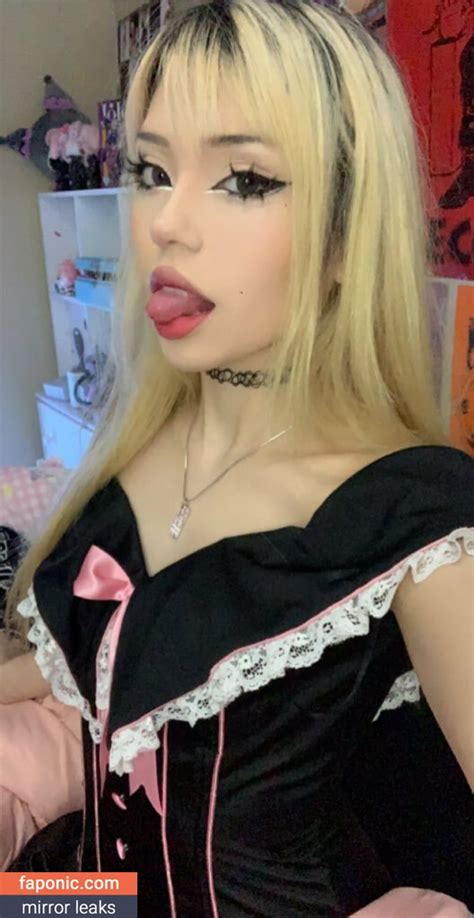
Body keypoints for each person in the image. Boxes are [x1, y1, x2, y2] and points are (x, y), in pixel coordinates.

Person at [3, 1, 473, 915]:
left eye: (244, 180)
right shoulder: (131, 455)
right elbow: (111, 656)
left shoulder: (413, 521)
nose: (165, 224)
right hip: (88, 893)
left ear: (348, 232)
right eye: (151, 171)